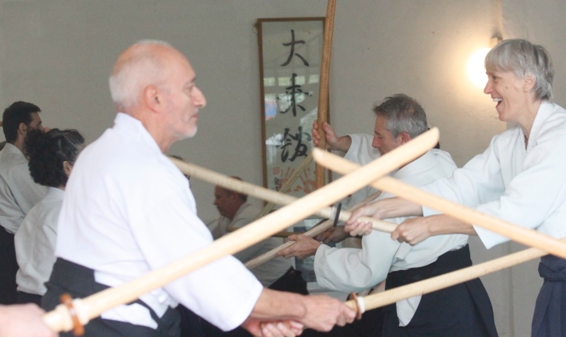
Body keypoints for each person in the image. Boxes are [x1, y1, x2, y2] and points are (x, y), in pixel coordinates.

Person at [42, 40, 354, 337]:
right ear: (154, 97)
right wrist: (305, 308)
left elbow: (161, 266)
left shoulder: (98, 154)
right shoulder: (145, 170)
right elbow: (199, 272)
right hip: (113, 326)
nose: (200, 99)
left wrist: (250, 316)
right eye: (189, 87)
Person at [346, 39, 566, 337]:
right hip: (559, 280)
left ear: (528, 81)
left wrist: (431, 225)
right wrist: (382, 207)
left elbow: (516, 213)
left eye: (495, 78)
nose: (487, 89)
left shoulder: (565, 135)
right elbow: (460, 187)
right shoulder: (508, 143)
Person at [280, 94, 498, 337]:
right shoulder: (440, 160)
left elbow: (366, 270)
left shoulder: (390, 204)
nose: (374, 143)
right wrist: (341, 143)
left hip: (425, 310)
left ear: (403, 139)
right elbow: (385, 157)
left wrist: (316, 251)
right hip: (463, 295)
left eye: (379, 136)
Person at [203, 180, 308, 337]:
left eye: (219, 197)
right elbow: (205, 237)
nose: (215, 202)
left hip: (283, 287)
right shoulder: (227, 220)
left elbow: (228, 257)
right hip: (267, 290)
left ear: (233, 197)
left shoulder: (251, 218)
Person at [14, 129, 84, 305]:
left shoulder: (37, 211)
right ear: (68, 168)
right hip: (55, 303)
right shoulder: (68, 213)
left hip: (28, 300)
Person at [0, 101, 47, 304]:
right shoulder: (17, 167)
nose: (43, 130)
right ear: (23, 128)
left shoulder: (4, 159)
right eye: (38, 125)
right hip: (10, 250)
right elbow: (42, 208)